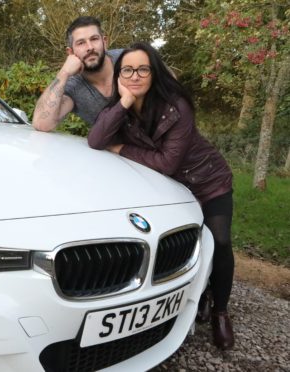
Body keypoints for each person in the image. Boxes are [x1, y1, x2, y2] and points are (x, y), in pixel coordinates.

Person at [88, 42, 235, 350]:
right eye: (127, 70)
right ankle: (200, 295)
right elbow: (96, 139)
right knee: (186, 243)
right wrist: (124, 102)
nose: (135, 76)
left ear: (153, 73)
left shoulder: (175, 105)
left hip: (206, 181)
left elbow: (168, 162)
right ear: (118, 76)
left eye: (143, 69)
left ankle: (220, 310)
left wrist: (123, 148)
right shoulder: (121, 108)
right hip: (168, 190)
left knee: (219, 240)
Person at [32, 16, 122, 131]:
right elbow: (41, 124)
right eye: (81, 43)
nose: (90, 47)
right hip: (115, 148)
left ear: (104, 42)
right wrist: (63, 73)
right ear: (70, 52)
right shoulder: (73, 87)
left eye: (94, 39)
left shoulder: (127, 60)